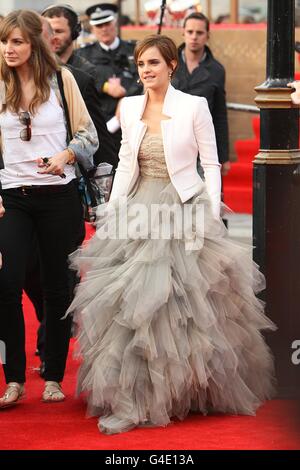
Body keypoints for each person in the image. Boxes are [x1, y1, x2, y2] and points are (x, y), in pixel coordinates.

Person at [67, 34, 276, 435]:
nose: (146, 71)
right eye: (141, 64)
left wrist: (211, 212)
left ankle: (188, 391)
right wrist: (113, 206)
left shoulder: (193, 106)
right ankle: (135, 398)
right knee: (133, 304)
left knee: (188, 305)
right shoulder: (128, 106)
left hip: (183, 204)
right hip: (139, 206)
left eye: (154, 64)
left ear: (171, 66)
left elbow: (211, 164)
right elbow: (127, 161)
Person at [0, 9, 98, 407]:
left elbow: (87, 135)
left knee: (58, 289)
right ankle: (14, 379)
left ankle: (54, 376)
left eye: (17, 41)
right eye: (5, 41)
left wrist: (66, 155)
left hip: (59, 197)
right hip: (12, 199)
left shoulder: (61, 79)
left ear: (34, 45)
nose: (9, 48)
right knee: (7, 285)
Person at [75, 3, 142, 152]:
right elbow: (80, 81)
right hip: (100, 124)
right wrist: (104, 86)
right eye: (99, 25)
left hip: (133, 122)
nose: (104, 29)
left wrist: (127, 98)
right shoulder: (83, 55)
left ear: (115, 22)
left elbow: (145, 78)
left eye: (107, 23)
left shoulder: (135, 49)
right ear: (92, 28)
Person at [172, 12, 230, 176]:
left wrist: (223, 156)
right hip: (171, 142)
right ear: (183, 32)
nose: (194, 37)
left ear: (207, 35)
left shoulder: (216, 70)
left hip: (202, 144)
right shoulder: (169, 63)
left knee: (203, 197)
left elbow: (219, 114)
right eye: (190, 32)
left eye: (199, 33)